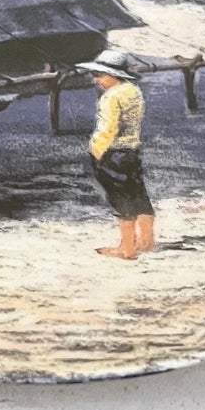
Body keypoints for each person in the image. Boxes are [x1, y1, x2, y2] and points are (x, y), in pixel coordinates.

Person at [76, 47, 155, 260]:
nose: (95, 80)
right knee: (138, 195)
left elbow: (107, 129)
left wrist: (96, 152)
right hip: (131, 151)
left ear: (113, 75)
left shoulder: (110, 97)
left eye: (99, 75)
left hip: (113, 154)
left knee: (121, 200)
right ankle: (146, 242)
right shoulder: (133, 91)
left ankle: (126, 249)